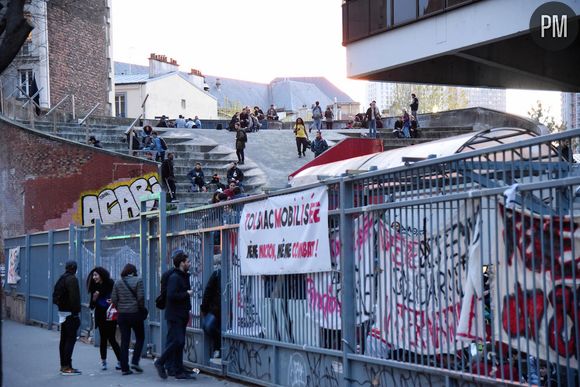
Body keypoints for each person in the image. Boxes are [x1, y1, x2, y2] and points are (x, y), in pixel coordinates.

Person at [154, 250, 195, 380]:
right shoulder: (174, 277)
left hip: (182, 313)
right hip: (175, 314)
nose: (190, 263)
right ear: (182, 263)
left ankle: (178, 369)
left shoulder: (183, 276)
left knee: (180, 342)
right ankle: (160, 362)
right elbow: (171, 296)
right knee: (178, 340)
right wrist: (187, 294)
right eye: (188, 261)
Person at [111, 263, 145, 376]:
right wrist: (140, 308)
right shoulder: (138, 280)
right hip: (135, 314)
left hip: (122, 315)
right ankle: (135, 361)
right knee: (140, 337)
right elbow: (141, 298)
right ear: (133, 271)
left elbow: (114, 299)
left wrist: (120, 307)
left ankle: (124, 368)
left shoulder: (117, 282)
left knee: (125, 341)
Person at [87, 267, 121, 371]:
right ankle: (103, 361)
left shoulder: (111, 284)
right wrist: (94, 298)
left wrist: (113, 301)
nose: (94, 277)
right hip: (100, 315)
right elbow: (92, 306)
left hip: (110, 315)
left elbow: (117, 297)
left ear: (101, 275)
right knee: (103, 338)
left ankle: (120, 360)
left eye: (96, 275)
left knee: (111, 338)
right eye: (93, 275)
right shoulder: (94, 287)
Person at [56, 260, 82, 376]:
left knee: (64, 340)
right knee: (70, 340)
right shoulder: (72, 279)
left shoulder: (62, 278)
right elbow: (75, 298)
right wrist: (76, 313)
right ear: (74, 268)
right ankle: (67, 367)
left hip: (62, 313)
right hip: (70, 314)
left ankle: (64, 365)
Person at [201, 269, 221, 359]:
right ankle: (218, 345)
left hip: (229, 310)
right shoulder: (217, 273)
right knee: (207, 325)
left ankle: (218, 348)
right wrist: (204, 307)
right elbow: (208, 291)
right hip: (216, 309)